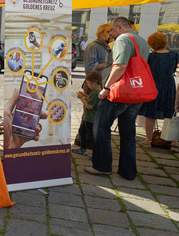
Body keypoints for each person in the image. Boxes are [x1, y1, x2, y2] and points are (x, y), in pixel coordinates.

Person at [85, 16, 150, 180]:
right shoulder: (141, 40)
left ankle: (102, 167)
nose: (111, 34)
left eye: (112, 30)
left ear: (120, 27)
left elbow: (120, 65)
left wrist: (106, 87)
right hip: (136, 94)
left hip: (118, 93)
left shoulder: (123, 39)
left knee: (101, 128)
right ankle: (128, 171)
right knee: (128, 133)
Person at [137, 33, 179, 148]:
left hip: (153, 84)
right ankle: (173, 140)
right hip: (168, 85)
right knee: (170, 112)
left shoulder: (151, 57)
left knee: (150, 112)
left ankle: (149, 139)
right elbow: (174, 69)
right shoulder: (174, 55)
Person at [74, 72, 102, 155]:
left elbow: (89, 106)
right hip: (89, 118)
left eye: (88, 84)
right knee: (82, 132)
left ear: (94, 83)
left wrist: (81, 98)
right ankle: (83, 148)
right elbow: (92, 100)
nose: (88, 86)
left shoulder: (94, 93)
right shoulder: (98, 92)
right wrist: (86, 96)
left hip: (90, 119)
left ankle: (96, 154)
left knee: (91, 136)